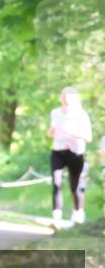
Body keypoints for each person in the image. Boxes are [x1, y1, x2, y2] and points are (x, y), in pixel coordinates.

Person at [47, 87, 92, 226]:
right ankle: (57, 215)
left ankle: (77, 212)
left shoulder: (81, 115)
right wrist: (51, 132)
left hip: (75, 152)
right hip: (58, 151)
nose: (65, 100)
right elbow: (51, 132)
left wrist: (73, 132)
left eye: (68, 97)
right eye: (63, 97)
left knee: (75, 185)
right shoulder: (55, 113)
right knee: (56, 182)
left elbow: (88, 137)